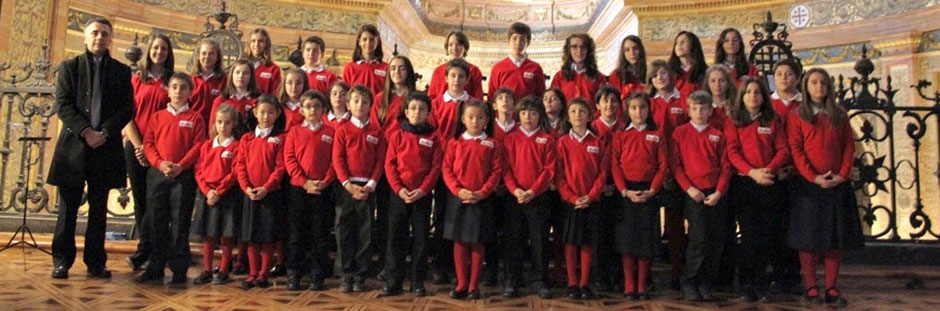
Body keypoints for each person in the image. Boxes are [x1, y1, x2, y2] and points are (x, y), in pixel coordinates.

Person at [49, 18, 134, 280]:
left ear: (111, 39)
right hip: (74, 146)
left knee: (98, 209)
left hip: (105, 147)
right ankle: (62, 262)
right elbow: (63, 105)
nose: (99, 37)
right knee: (68, 208)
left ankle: (96, 262)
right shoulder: (69, 67)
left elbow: (127, 108)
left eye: (104, 34)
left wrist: (104, 132)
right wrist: (86, 132)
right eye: (94, 33)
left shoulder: (121, 71)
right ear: (85, 38)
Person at [787, 68, 862, 307]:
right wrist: (813, 177)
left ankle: (831, 285)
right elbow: (796, 149)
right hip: (808, 185)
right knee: (807, 238)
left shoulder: (839, 115)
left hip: (836, 184)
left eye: (823, 83)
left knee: (833, 237)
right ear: (806, 87)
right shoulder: (798, 115)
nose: (819, 87)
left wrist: (842, 175)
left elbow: (849, 147)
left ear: (829, 87)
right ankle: (810, 285)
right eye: (814, 83)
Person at [136, 73, 208, 284]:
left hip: (182, 177)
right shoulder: (157, 117)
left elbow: (198, 145)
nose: (178, 91)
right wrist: (160, 164)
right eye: (174, 87)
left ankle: (178, 269)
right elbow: (148, 144)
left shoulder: (195, 118)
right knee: (156, 222)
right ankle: (155, 266)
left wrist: (181, 166)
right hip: (158, 175)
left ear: (190, 92)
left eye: (183, 87)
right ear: (168, 91)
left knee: (179, 223)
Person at [725, 77, 790, 302]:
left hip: (769, 182)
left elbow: (782, 149)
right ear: (742, 96)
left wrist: (768, 170)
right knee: (749, 235)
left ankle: (761, 280)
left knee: (767, 234)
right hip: (744, 183)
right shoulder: (734, 120)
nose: (753, 96)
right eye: (749, 92)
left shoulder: (774, 120)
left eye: (757, 92)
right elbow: (732, 151)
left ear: (764, 96)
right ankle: (747, 282)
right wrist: (752, 173)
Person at [380, 92, 443, 297]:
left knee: (421, 239)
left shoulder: (433, 138)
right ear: (406, 112)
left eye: (422, 109)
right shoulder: (397, 135)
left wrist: (423, 190)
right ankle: (394, 279)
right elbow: (390, 164)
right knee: (395, 237)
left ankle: (417, 280)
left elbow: (435, 167)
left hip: (421, 196)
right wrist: (399, 189)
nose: (417, 112)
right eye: (413, 108)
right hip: (399, 194)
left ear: (428, 113)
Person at [672, 90, 732, 301]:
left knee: (716, 240)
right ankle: (690, 280)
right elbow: (676, 166)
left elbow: (726, 167)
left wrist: (719, 192)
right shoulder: (680, 133)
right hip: (693, 193)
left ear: (710, 111)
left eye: (703, 108)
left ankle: (707, 282)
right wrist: (689, 189)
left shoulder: (718, 135)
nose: (699, 112)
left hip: (715, 193)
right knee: (698, 239)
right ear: (688, 111)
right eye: (695, 108)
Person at [442, 100, 503, 300]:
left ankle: (473, 286)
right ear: (462, 119)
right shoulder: (454, 142)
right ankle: (461, 283)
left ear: (486, 119)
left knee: (478, 242)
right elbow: (447, 169)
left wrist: (482, 192)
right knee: (459, 241)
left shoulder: (492, 143)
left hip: (481, 199)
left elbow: (495, 171)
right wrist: (458, 191)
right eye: (470, 117)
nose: (475, 121)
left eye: (479, 117)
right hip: (458, 199)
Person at [124, 33, 174, 272]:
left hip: (161, 150)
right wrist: (138, 146)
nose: (159, 52)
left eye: (164, 48)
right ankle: (146, 249)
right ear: (148, 51)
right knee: (140, 200)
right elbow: (126, 115)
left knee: (157, 201)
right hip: (136, 145)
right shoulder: (136, 80)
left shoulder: (172, 81)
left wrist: (151, 149)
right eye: (155, 48)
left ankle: (150, 251)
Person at [611, 92, 667, 300]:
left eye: (642, 107)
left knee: (645, 241)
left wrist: (652, 190)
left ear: (648, 109)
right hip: (627, 192)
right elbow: (615, 165)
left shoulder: (657, 134)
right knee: (627, 240)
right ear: (627, 110)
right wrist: (624, 190)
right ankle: (628, 283)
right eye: (633, 108)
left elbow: (663, 165)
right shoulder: (620, 135)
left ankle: (642, 284)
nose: (638, 112)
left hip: (648, 193)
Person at [332, 85, 387, 292]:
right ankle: (346, 273)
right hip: (346, 187)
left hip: (367, 188)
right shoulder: (342, 130)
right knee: (344, 230)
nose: (360, 105)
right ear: (348, 104)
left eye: (365, 102)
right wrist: (347, 184)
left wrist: (371, 184)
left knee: (365, 233)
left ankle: (360, 275)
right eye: (356, 101)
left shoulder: (376, 132)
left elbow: (380, 160)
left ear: (371, 105)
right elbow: (338, 159)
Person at [502, 96, 557, 299]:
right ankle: (512, 280)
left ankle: (540, 280)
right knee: (514, 240)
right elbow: (505, 169)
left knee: (539, 241)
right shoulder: (510, 139)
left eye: (533, 113)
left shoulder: (547, 139)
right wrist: (515, 190)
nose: (528, 117)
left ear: (539, 116)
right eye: (524, 113)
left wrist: (533, 191)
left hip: (538, 197)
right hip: (515, 198)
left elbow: (548, 170)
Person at [555, 98, 608, 300]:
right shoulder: (562, 143)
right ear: (568, 116)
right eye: (574, 111)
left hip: (590, 201)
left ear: (589, 115)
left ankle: (584, 282)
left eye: (582, 111)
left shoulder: (597, 142)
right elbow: (559, 174)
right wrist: (571, 197)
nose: (578, 115)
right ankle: (572, 282)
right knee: (570, 241)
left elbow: (602, 173)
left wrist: (591, 196)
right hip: (570, 202)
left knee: (587, 242)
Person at [283, 90, 335, 291]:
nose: (312, 110)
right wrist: (304, 182)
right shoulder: (294, 132)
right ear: (302, 110)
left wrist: (324, 181)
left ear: (323, 109)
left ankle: (317, 274)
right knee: (296, 233)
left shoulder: (331, 133)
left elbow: (334, 161)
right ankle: (294, 272)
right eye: (308, 106)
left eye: (316, 106)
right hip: (299, 189)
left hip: (322, 189)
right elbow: (290, 159)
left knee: (320, 233)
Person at [234, 95, 287, 289]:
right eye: (262, 112)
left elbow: (280, 168)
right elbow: (240, 165)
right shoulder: (247, 138)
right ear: (255, 113)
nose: (266, 116)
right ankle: (253, 272)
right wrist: (246, 187)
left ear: (277, 114)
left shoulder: (281, 138)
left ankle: (264, 273)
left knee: (266, 237)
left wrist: (266, 187)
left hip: (270, 195)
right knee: (251, 236)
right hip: (250, 194)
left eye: (271, 112)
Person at [191, 104, 243, 285]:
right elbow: (198, 169)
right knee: (208, 234)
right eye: (219, 122)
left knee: (226, 235)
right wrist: (207, 191)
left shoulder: (237, 146)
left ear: (234, 124)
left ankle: (223, 270)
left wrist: (219, 191)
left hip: (227, 195)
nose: (223, 126)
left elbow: (235, 172)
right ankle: (206, 269)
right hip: (208, 194)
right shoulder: (206, 146)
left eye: (227, 123)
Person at [488, 22, 546, 102]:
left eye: (522, 39)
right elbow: (492, 96)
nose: (518, 43)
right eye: (514, 39)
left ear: (528, 43)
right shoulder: (498, 68)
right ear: (508, 41)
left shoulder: (535, 68)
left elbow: (541, 95)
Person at [551, 33, 606, 109]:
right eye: (574, 47)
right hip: (567, 120)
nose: (579, 50)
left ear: (588, 50)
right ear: (569, 50)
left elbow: (603, 104)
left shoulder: (599, 77)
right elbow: (554, 104)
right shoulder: (559, 77)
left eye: (583, 47)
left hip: (591, 119)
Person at [427, 31, 484, 101]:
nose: (454, 48)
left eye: (459, 44)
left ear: (465, 47)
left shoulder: (474, 71)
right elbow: (432, 97)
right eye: (450, 45)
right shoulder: (438, 71)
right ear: (447, 48)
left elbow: (478, 98)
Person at [342, 24, 388, 95]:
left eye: (372, 39)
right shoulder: (350, 68)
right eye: (364, 39)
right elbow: (345, 93)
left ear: (377, 42)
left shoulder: (386, 68)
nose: (368, 43)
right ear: (359, 42)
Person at [190, 39, 226, 122]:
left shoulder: (224, 80)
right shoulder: (190, 80)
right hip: (193, 124)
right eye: (204, 53)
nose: (207, 56)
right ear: (198, 56)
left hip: (214, 126)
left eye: (211, 54)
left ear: (217, 57)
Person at [667, 31, 708, 99]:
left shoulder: (704, 71)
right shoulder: (668, 71)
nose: (679, 45)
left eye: (684, 41)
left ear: (692, 45)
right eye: (677, 43)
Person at [245, 28, 281, 96]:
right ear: (249, 43)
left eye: (260, 41)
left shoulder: (273, 69)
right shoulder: (241, 65)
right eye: (253, 41)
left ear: (266, 44)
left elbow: (275, 95)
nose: (256, 44)